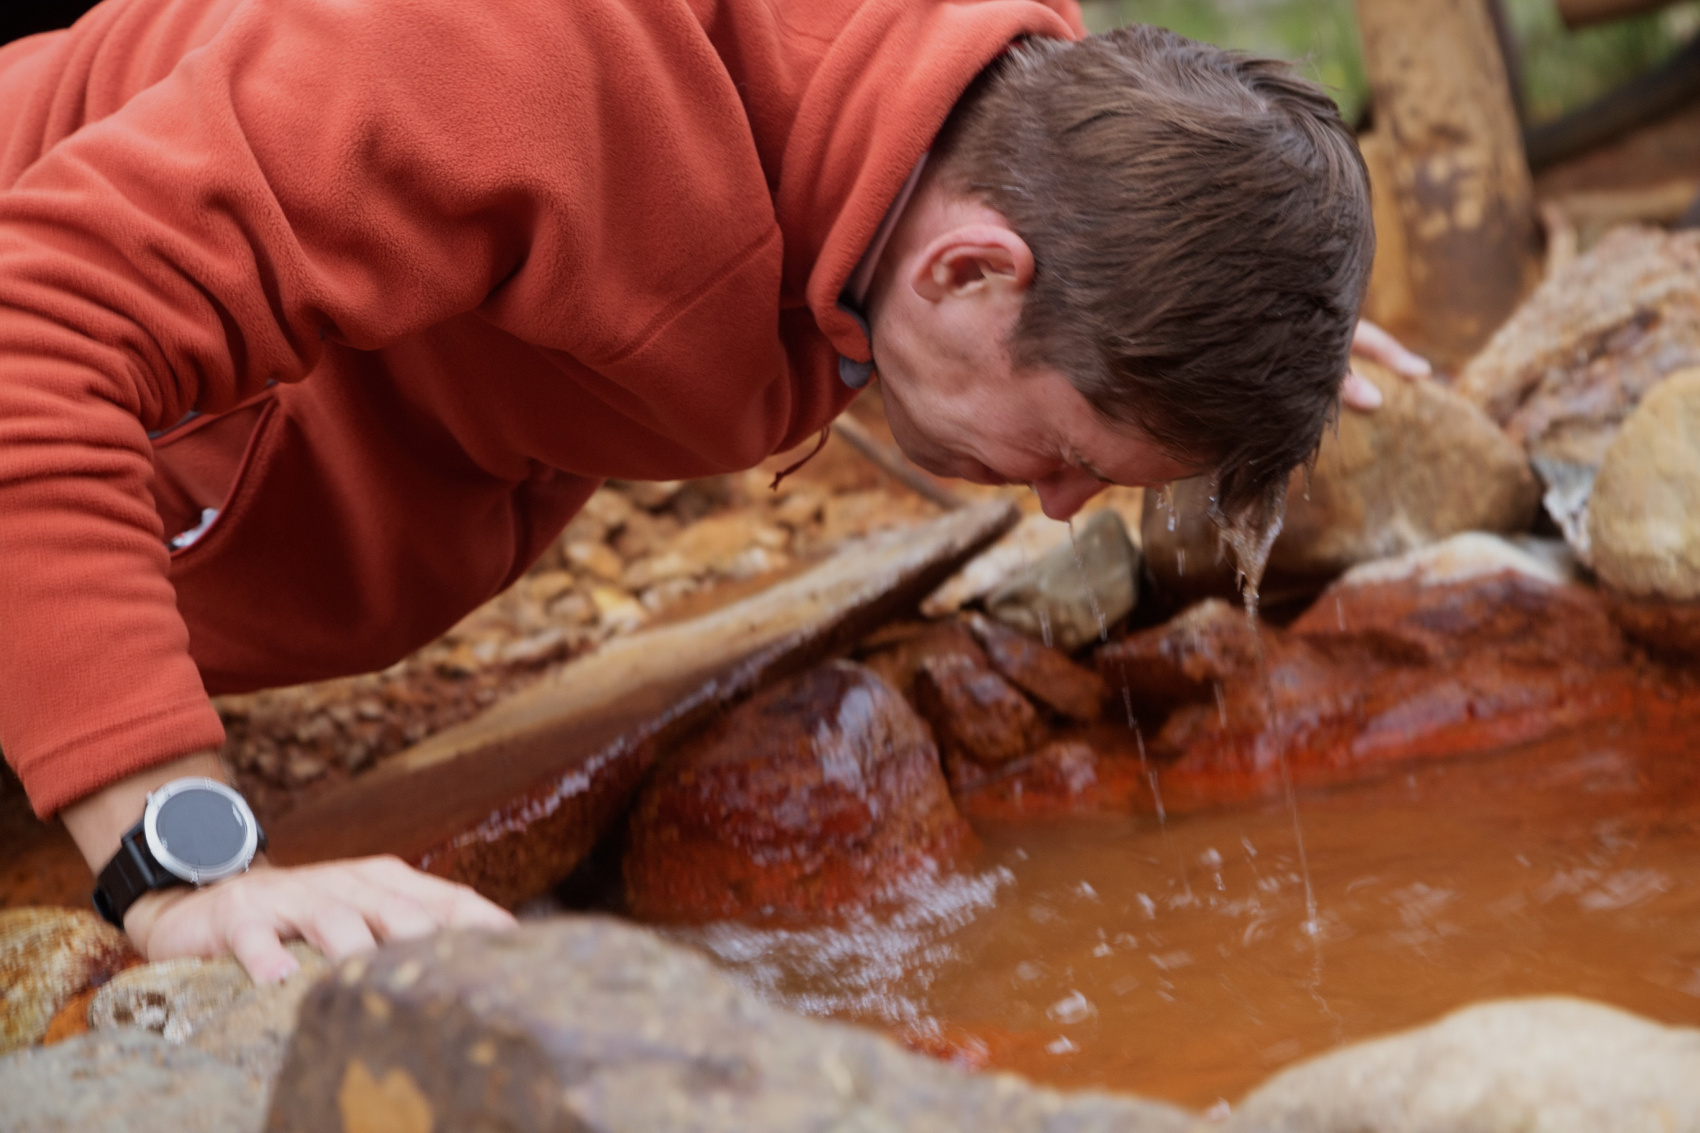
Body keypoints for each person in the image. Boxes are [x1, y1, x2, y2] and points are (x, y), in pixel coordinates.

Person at [0, 0, 1419, 981]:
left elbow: (1116, 162)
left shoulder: (980, 118)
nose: (1053, 508)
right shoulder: (505, 54)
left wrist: (1240, 302)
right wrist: (187, 865)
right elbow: (27, 340)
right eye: (1068, 458)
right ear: (972, 269)